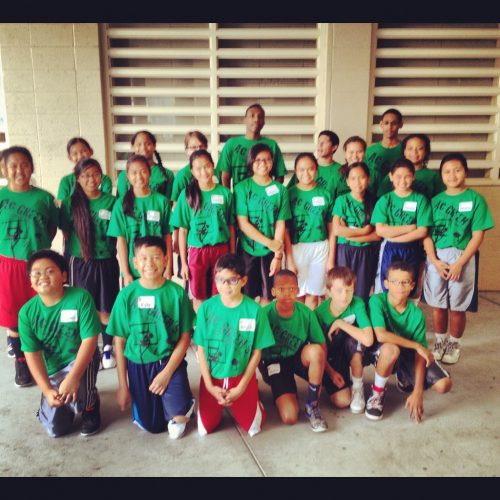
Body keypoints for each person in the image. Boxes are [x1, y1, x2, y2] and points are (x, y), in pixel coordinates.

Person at [106, 236, 195, 438]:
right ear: (135, 263)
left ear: (166, 260)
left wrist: (166, 373)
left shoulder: (177, 293)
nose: (150, 263)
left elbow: (185, 337)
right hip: (138, 365)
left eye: (156, 257)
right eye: (144, 258)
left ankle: (183, 402)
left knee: (177, 421)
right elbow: (119, 341)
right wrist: (123, 386)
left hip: (169, 361)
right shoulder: (126, 295)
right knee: (152, 426)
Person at [18, 250, 102, 437]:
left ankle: (90, 405)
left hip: (80, 359)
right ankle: (49, 406)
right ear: (30, 280)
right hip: (53, 368)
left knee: (81, 394)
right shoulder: (26, 313)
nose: (42, 277)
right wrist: (47, 389)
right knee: (56, 430)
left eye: (50, 271)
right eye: (36, 273)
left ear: (64, 276)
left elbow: (90, 340)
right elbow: (32, 354)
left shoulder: (81, 297)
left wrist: (73, 378)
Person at [423, 153, 494, 365]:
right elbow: (426, 234)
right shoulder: (435, 201)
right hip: (437, 257)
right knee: (437, 304)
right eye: (447, 171)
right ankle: (440, 341)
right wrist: (434, 261)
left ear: (465, 172)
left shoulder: (475, 199)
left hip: (462, 257)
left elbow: (478, 235)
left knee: (457, 305)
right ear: (441, 175)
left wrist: (460, 263)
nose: (452, 175)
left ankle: (454, 343)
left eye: (457, 170)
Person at [193, 254, 275, 437]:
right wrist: (209, 386)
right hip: (212, 377)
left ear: (243, 281)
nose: (225, 285)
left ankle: (254, 398)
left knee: (253, 428)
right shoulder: (206, 308)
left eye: (232, 280)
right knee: (205, 429)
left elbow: (257, 352)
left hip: (241, 377)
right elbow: (201, 349)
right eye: (220, 280)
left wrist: (242, 387)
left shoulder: (254, 311)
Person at [365, 261, 452, 422]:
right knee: (391, 349)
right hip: (381, 350)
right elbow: (381, 335)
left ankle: (404, 376)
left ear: (412, 285)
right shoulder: (377, 301)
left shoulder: (416, 315)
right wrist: (416, 345)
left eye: (405, 282)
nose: (400, 286)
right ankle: (377, 393)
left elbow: (420, 355)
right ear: (386, 283)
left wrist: (418, 391)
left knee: (444, 385)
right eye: (395, 281)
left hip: (406, 354)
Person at [0, 146, 58, 387]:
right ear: (4, 169)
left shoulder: (44, 198)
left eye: (24, 164)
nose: (19, 170)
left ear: (31, 167)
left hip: (38, 264)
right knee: (13, 316)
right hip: (8, 265)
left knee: (41, 313)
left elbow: (52, 228)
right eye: (13, 166)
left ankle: (46, 360)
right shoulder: (1, 197)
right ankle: (21, 362)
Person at [59, 158, 119, 369]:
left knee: (106, 308)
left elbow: (118, 234)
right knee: (84, 308)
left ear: (101, 176)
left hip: (106, 261)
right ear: (77, 178)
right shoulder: (69, 203)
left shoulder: (111, 202)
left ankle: (108, 348)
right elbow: (66, 232)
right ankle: (89, 351)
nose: (91, 179)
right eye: (85, 175)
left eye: (95, 174)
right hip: (80, 262)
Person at [260, 270, 328, 432]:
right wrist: (262, 370)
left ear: (298, 291)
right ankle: (283, 388)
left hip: (298, 356)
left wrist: (330, 373)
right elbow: (255, 349)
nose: (287, 293)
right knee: (289, 417)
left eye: (291, 289)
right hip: (275, 362)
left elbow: (322, 346)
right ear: (273, 291)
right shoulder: (264, 314)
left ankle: (312, 405)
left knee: (316, 351)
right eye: (281, 289)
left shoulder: (306, 313)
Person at [171, 150, 236, 312]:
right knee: (198, 295)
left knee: (220, 293)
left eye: (207, 166)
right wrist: (183, 263)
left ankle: (216, 325)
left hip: (221, 250)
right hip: (197, 252)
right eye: (198, 168)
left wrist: (232, 254)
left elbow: (231, 226)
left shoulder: (225, 193)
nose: (204, 171)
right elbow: (183, 230)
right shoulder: (187, 195)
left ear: (213, 166)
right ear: (192, 171)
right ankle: (201, 325)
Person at [235, 144, 291, 306]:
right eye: (258, 160)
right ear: (251, 162)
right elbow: (243, 224)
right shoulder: (242, 188)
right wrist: (270, 243)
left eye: (267, 159)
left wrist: (277, 255)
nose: (263, 163)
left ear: (272, 162)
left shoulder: (280, 190)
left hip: (271, 253)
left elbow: (280, 224)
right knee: (246, 295)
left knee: (268, 295)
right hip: (247, 250)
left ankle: (263, 322)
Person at [315, 267, 374, 414]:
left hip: (350, 349)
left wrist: (340, 323)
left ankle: (358, 388)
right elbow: (318, 350)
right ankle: (327, 380)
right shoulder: (319, 314)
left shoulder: (357, 304)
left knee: (355, 341)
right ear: (328, 291)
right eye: (339, 291)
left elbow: (368, 340)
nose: (345, 295)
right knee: (342, 401)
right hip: (330, 357)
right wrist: (331, 373)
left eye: (349, 290)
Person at [107, 154, 172, 287]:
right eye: (134, 173)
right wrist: (126, 273)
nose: (139, 176)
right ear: (127, 176)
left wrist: (169, 266)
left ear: (149, 173)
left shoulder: (162, 201)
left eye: (143, 171)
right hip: (133, 270)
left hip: (157, 267)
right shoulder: (120, 204)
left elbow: (167, 236)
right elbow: (121, 241)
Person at [371, 159, 433, 297]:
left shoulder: (420, 200)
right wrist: (410, 228)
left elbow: (422, 231)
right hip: (389, 248)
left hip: (412, 248)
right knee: (387, 284)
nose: (403, 181)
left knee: (409, 285)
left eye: (407, 176)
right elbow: (381, 230)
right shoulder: (385, 200)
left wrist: (394, 236)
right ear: (391, 176)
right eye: (398, 176)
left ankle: (406, 311)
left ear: (413, 176)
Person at [285, 153, 334, 309]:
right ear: (295, 171)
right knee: (297, 294)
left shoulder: (325, 194)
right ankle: (299, 324)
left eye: (310, 169)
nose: (306, 173)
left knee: (313, 294)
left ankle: (309, 324)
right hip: (296, 248)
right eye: (301, 169)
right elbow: (284, 228)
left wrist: (331, 258)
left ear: (316, 170)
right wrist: (289, 258)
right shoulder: (288, 194)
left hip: (320, 248)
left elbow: (332, 228)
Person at [332, 162, 381, 302]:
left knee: (361, 293)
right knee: (342, 290)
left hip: (366, 252)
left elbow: (377, 236)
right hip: (345, 251)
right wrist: (364, 231)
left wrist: (349, 234)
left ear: (368, 179)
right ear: (347, 181)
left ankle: (359, 316)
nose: (357, 182)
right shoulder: (342, 200)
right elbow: (337, 230)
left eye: (362, 177)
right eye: (353, 178)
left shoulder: (375, 202)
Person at [217, 103, 287, 188]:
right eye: (252, 116)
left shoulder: (272, 145)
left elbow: (280, 176)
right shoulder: (231, 144)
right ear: (245, 120)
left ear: (264, 122)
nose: (256, 119)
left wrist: (269, 193)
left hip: (264, 195)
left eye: (260, 117)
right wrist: (229, 195)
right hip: (239, 195)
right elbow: (225, 176)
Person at [171, 131, 209, 279]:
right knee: (190, 277)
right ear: (186, 150)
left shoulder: (212, 171)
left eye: (201, 146)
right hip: (190, 238)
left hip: (210, 237)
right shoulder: (182, 175)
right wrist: (176, 238)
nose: (197, 150)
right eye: (193, 147)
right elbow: (177, 209)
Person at [377, 134, 445, 200]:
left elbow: (441, 199)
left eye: (420, 149)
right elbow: (381, 199)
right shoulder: (393, 174)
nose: (414, 152)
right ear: (404, 151)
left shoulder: (434, 176)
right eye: (410, 148)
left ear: (426, 152)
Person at [116, 130, 174, 200]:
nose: (143, 148)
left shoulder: (167, 174)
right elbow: (122, 202)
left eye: (148, 144)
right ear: (133, 147)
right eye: (139, 144)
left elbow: (168, 203)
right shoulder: (123, 175)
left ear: (154, 146)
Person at [56, 138, 112, 206]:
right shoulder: (66, 181)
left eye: (83, 151)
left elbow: (106, 203)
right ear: (70, 157)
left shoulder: (104, 180)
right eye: (75, 153)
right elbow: (62, 205)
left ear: (91, 151)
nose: (80, 156)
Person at [332, 136, 379, 200]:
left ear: (365, 153)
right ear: (345, 154)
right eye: (351, 152)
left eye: (359, 152)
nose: (355, 156)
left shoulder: (374, 174)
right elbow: (329, 198)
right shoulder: (337, 173)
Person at [365, 108, 404, 179]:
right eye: (386, 123)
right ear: (381, 124)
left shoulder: (406, 150)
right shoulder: (369, 150)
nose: (389, 127)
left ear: (400, 125)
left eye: (394, 123)